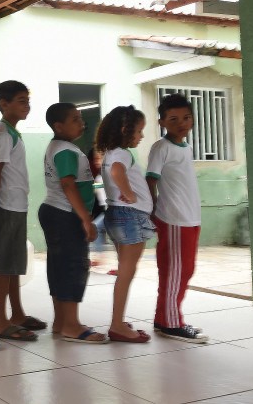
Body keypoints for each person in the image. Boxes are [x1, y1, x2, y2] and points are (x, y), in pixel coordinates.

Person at [40, 102, 106, 344]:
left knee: (59, 267)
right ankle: (71, 325)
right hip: (65, 214)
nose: (82, 124)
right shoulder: (65, 150)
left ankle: (61, 321)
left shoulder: (59, 146)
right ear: (59, 126)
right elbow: (68, 185)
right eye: (76, 120)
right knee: (73, 267)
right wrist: (85, 219)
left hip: (56, 212)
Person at [146, 93, 208, 343]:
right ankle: (172, 323)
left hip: (190, 218)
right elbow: (151, 179)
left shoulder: (185, 146)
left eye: (186, 118)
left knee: (185, 270)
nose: (181, 123)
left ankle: (165, 318)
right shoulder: (161, 147)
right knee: (175, 272)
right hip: (173, 219)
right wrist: (151, 212)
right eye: (173, 119)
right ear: (162, 122)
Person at [0, 81, 44, 341]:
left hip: (17, 205)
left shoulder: (12, 133)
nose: (27, 105)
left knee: (13, 264)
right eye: (21, 100)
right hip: (6, 206)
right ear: (3, 104)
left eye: (27, 100)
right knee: (4, 264)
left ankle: (17, 314)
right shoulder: (1, 135)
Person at [97, 105, 154, 344]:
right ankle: (117, 324)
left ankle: (118, 320)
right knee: (127, 272)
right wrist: (129, 193)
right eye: (139, 131)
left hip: (118, 215)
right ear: (124, 129)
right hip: (130, 215)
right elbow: (117, 173)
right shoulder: (122, 153)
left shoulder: (110, 152)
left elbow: (115, 172)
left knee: (124, 270)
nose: (141, 136)